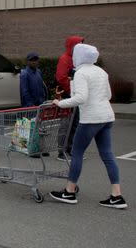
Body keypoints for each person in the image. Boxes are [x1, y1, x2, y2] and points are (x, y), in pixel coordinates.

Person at [50, 44, 127, 209]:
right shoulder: (101, 72)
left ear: (79, 56)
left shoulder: (81, 73)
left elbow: (80, 98)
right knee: (107, 155)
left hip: (90, 119)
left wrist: (60, 103)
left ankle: (69, 192)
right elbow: (108, 95)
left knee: (77, 152)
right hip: (107, 117)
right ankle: (117, 195)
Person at [56, 36, 85, 160]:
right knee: (66, 124)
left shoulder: (78, 60)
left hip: (75, 96)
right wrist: (73, 90)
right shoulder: (64, 59)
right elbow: (61, 78)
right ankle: (62, 151)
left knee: (75, 124)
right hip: (67, 96)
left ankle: (70, 149)